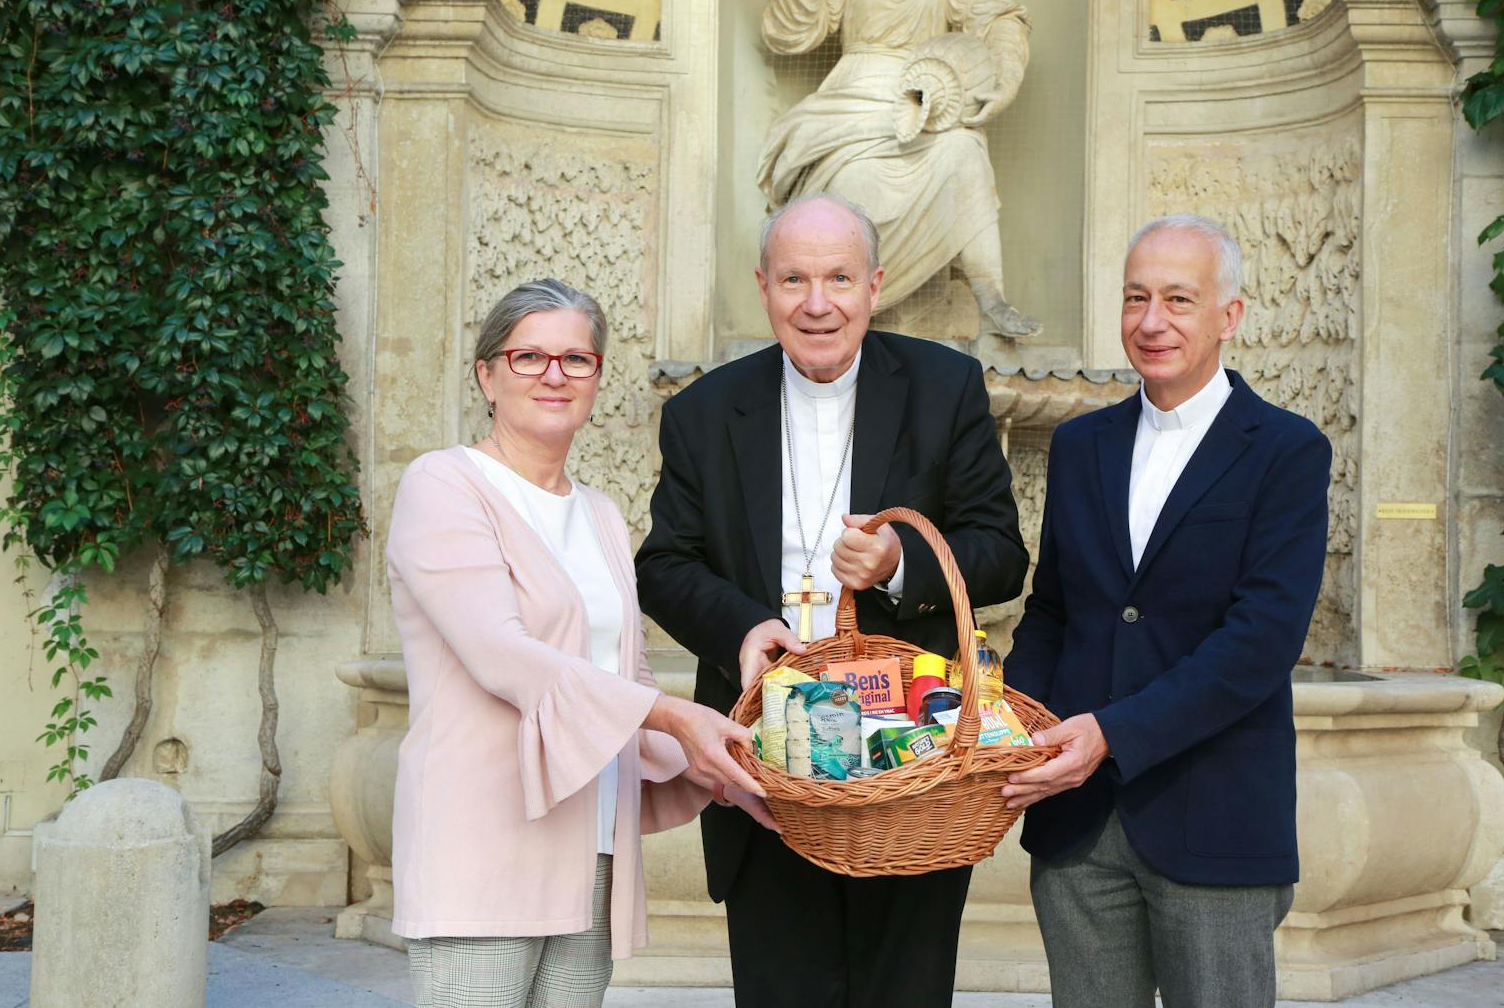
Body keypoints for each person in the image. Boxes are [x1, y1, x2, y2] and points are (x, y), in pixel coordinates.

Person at [636, 194, 1028, 1007]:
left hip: (912, 765)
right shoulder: (704, 412)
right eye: (795, 280)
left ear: (875, 284)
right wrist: (741, 624)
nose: (818, 303)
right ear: (764, 287)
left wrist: (897, 562)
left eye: (840, 277)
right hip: (767, 767)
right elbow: (664, 563)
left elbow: (1001, 556)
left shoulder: (943, 386)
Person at [386, 279, 774, 1008]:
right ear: (487, 374)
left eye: (577, 358)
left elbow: (620, 680)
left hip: (589, 844)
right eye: (528, 355)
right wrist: (676, 717)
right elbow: (503, 654)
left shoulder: (598, 514)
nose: (554, 374)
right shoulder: (443, 484)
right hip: (483, 840)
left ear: (597, 377)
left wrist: (710, 766)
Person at [1001, 215, 1331, 1007]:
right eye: (1136, 297)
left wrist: (1111, 733)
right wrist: (1009, 721)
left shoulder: (1286, 450)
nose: (1152, 321)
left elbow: (1259, 642)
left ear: (1231, 315)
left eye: (1179, 299)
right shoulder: (1081, 445)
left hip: (1211, 815)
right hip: (1076, 822)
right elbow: (1052, 611)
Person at [758, 0, 1041, 339]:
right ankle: (844, 300)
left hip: (924, 99)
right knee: (850, 183)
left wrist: (1003, 80)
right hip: (852, 105)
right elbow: (789, 31)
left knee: (966, 150)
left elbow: (999, 20)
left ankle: (990, 295)